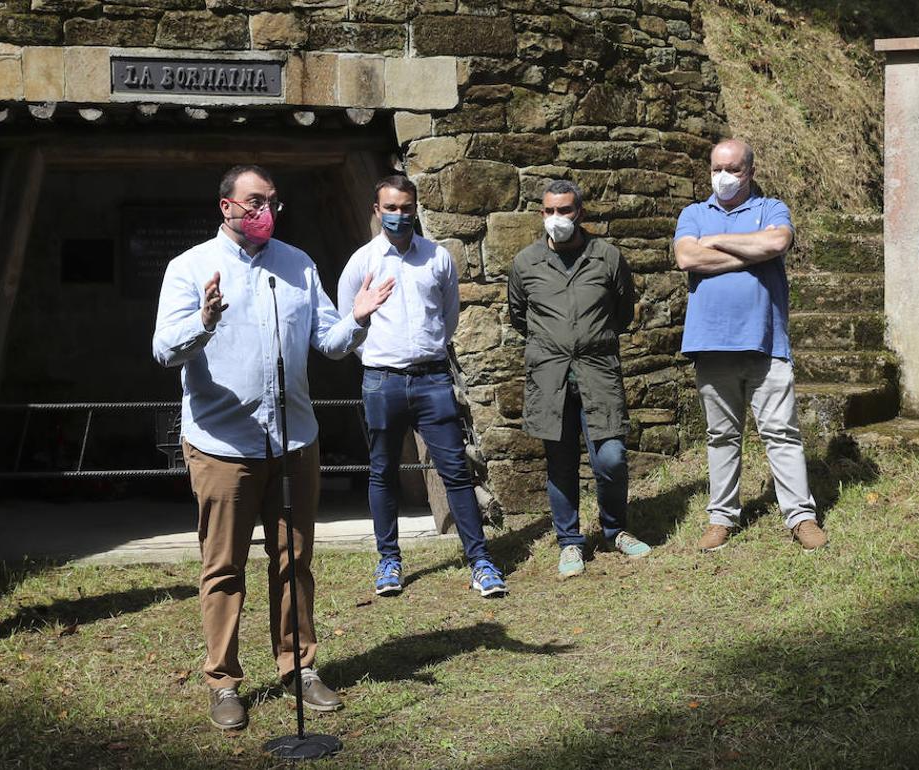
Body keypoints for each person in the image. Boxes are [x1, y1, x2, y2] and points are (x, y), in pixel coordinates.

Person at [152, 165, 393, 731]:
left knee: (294, 560)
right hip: (221, 444)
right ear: (226, 207)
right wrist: (204, 321)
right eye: (255, 201)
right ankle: (224, 681)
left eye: (272, 202)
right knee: (223, 567)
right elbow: (165, 350)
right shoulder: (188, 268)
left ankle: (299, 668)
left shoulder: (298, 264)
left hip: (293, 440)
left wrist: (357, 319)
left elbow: (329, 343)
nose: (265, 211)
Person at [337, 176, 507, 598]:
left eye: (405, 207)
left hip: (432, 379)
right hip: (382, 381)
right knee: (382, 472)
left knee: (455, 471)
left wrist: (424, 354)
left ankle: (480, 562)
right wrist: (380, 361)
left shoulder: (438, 258)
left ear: (416, 208)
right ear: (376, 211)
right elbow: (348, 324)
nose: (398, 215)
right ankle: (389, 561)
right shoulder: (361, 263)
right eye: (390, 208)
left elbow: (448, 319)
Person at [673, 138, 828, 552]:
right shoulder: (693, 213)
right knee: (721, 436)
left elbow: (776, 243)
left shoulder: (771, 209)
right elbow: (687, 258)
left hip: (766, 341)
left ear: (751, 172)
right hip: (710, 343)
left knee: (781, 432)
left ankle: (800, 516)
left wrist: (716, 242)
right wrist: (749, 251)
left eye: (733, 170)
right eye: (716, 169)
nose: (722, 177)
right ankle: (721, 518)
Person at [507, 180, 652, 579]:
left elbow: (623, 313)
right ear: (541, 214)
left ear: (580, 213)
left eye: (565, 211)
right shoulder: (525, 263)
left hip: (597, 370)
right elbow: (519, 315)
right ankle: (570, 542)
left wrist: (589, 338)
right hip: (550, 374)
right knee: (561, 461)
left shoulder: (606, 258)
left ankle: (614, 529)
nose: (558, 219)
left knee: (611, 457)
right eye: (550, 211)